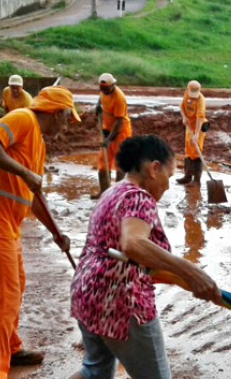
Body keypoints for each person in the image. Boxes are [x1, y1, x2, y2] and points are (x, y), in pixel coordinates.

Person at [69, 135, 222, 379]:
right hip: (120, 302)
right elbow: (134, 244)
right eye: (169, 176)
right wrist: (191, 272)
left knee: (94, 371)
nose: (169, 185)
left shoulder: (112, 192)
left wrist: (180, 277)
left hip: (87, 292)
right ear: (154, 168)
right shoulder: (139, 197)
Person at [0, 86, 81, 379]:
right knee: (3, 300)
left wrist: (56, 232)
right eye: (67, 119)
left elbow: (32, 197)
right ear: (56, 114)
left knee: (14, 289)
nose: (66, 127)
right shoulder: (23, 118)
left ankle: (11, 349)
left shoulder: (36, 141)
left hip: (5, 224)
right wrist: (24, 172)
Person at [91, 73, 132, 199]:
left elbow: (119, 122)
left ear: (112, 85)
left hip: (121, 132)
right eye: (101, 88)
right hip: (107, 129)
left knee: (120, 165)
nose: (103, 90)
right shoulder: (104, 90)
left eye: (105, 89)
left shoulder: (119, 98)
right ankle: (104, 193)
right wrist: (98, 105)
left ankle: (118, 196)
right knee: (103, 163)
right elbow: (101, 97)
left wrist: (108, 140)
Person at [175, 80, 209, 187]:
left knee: (196, 151)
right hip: (189, 126)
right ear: (187, 90)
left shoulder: (201, 100)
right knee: (188, 150)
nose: (193, 97)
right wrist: (184, 117)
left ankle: (197, 179)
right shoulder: (186, 95)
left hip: (199, 127)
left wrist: (196, 135)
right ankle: (187, 176)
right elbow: (181, 107)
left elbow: (200, 117)